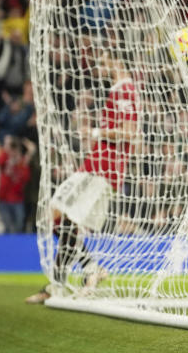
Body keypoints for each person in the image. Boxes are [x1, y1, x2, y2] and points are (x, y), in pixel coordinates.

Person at [25, 49, 138, 304]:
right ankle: (90, 269)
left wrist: (96, 132)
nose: (100, 64)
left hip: (103, 170)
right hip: (92, 166)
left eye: (104, 58)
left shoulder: (126, 91)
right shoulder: (117, 91)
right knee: (56, 216)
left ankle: (56, 285)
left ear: (116, 59)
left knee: (65, 219)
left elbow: (131, 133)